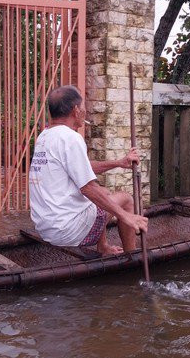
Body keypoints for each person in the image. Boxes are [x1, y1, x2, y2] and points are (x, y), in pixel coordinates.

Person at [29, 85, 148, 255]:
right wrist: (125, 216)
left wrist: (120, 162)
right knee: (125, 199)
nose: (85, 111)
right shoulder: (71, 138)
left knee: (102, 192)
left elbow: (80, 167)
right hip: (67, 231)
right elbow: (87, 188)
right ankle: (132, 257)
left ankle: (103, 247)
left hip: (46, 228)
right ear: (76, 111)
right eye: (83, 106)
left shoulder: (45, 136)